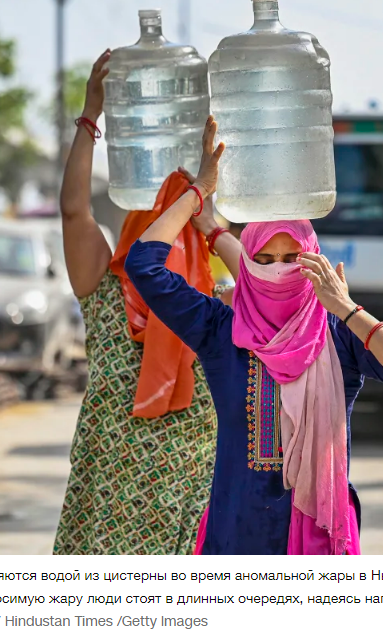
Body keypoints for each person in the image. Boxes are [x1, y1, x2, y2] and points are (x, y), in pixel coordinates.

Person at [124, 117, 383, 555]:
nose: (278, 271)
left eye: (293, 258)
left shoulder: (337, 333)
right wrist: (198, 197)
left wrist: (346, 309)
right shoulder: (221, 330)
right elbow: (145, 267)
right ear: (248, 266)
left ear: (316, 262)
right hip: (236, 538)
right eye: (264, 259)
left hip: (318, 543)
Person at [53, 51, 242, 555]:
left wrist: (204, 212)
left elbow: (266, 285)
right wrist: (92, 115)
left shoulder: (214, 314)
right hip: (106, 529)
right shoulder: (107, 292)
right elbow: (73, 210)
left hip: (183, 530)